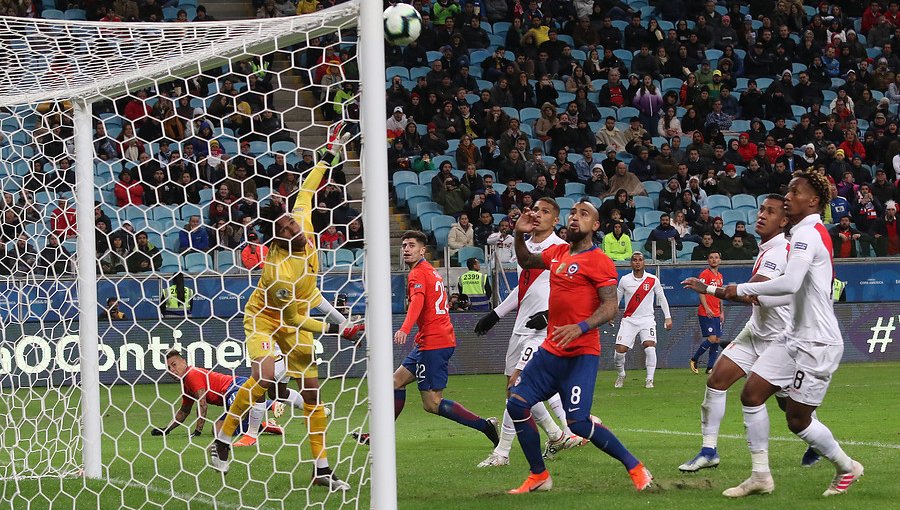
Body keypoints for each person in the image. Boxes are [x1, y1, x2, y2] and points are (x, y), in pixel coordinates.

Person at [208, 126, 363, 490]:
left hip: (294, 322)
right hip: (265, 319)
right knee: (263, 378)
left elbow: (308, 188)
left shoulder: (306, 228)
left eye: (292, 220)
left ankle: (322, 469)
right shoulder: (278, 272)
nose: (294, 223)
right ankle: (224, 438)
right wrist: (338, 330)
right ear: (278, 238)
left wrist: (328, 154)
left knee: (313, 396)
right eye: (286, 225)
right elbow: (293, 315)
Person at [721, 171, 863, 497]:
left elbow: (790, 283)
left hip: (818, 341)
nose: (788, 196)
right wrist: (753, 295)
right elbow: (790, 293)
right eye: (787, 190)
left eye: (795, 191)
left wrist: (739, 289)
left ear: (813, 200)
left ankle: (846, 466)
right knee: (752, 394)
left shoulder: (808, 234)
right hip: (793, 336)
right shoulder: (802, 234)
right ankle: (760, 476)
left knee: (798, 420)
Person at [505, 199, 653, 494]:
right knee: (517, 402)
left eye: (583, 214)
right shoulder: (557, 251)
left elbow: (611, 306)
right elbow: (526, 262)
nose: (575, 217)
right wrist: (519, 235)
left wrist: (581, 327)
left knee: (579, 424)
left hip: (581, 354)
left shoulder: (599, 260)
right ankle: (539, 476)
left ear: (595, 225)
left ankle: (635, 466)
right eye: (573, 212)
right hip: (551, 350)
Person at [678, 194, 817, 473]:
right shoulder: (766, 249)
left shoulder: (780, 252)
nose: (762, 215)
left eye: (771, 211)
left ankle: (818, 443)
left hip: (780, 340)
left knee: (791, 410)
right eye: (761, 209)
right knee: (716, 381)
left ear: (785, 221)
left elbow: (750, 293)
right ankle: (709, 451)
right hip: (756, 332)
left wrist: (708, 289)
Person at [354, 230, 500, 449]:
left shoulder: (417, 274)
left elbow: (418, 302)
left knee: (432, 403)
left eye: (411, 245)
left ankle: (485, 426)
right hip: (431, 340)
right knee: (394, 382)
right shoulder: (430, 271)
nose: (406, 249)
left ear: (422, 250)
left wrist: (404, 328)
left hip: (435, 343)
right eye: (404, 245)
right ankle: (378, 436)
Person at [473, 197, 581, 468]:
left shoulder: (561, 248)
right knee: (515, 393)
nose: (538, 215)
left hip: (544, 330)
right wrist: (496, 314)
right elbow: (524, 288)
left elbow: (573, 292)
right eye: (535, 210)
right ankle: (557, 436)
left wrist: (550, 314)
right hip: (522, 325)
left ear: (556, 220)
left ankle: (502, 453)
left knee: (518, 386)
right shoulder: (524, 247)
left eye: (545, 212)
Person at [152, 350, 285, 442]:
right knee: (218, 430)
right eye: (169, 368)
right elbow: (184, 411)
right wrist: (166, 429)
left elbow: (202, 404)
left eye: (174, 365)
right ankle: (264, 426)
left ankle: (271, 404)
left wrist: (198, 431)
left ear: (184, 361)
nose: (172, 370)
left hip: (235, 386)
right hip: (229, 397)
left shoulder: (192, 373)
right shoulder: (185, 385)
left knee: (236, 404)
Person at [613, 252, 672, 389]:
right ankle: (621, 375)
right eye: (634, 260)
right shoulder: (624, 280)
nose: (637, 262)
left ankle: (649, 379)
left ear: (644, 262)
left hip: (647, 320)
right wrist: (611, 314)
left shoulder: (652, 279)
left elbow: (662, 298)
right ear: (631, 263)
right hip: (629, 320)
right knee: (619, 352)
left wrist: (667, 317)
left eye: (640, 260)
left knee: (650, 346)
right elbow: (616, 300)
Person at [689, 250, 724, 374]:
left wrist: (721, 312)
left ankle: (710, 367)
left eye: (716, 257)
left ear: (720, 260)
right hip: (706, 312)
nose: (714, 259)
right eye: (711, 257)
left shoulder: (720, 276)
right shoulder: (705, 274)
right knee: (712, 338)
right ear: (708, 260)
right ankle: (694, 359)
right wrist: (707, 308)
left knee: (717, 340)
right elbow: (701, 291)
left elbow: (720, 295)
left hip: (716, 312)